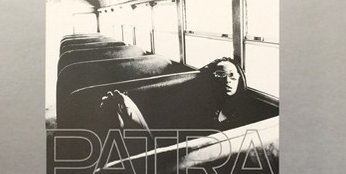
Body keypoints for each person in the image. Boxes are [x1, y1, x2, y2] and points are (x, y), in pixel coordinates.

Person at [99, 57, 253, 132]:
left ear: (239, 78)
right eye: (220, 75)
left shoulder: (244, 109)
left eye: (232, 76)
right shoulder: (198, 103)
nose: (228, 81)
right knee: (118, 103)